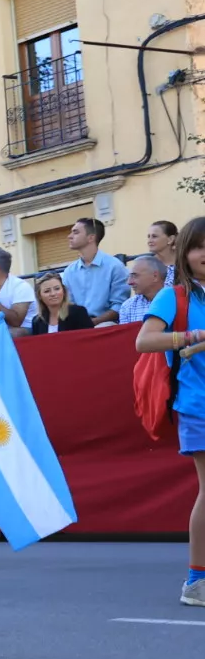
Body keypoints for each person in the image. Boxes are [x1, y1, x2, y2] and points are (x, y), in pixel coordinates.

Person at [135, 216, 205, 606]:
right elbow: (145, 342)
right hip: (198, 404)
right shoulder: (174, 296)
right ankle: (197, 581)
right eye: (199, 246)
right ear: (184, 253)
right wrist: (191, 336)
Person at [62, 217, 131, 325]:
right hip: (77, 326)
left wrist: (91, 323)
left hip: (106, 326)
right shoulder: (69, 271)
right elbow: (68, 305)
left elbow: (119, 306)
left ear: (91, 238)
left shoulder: (115, 266)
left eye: (75, 232)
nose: (69, 236)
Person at [120, 254, 170, 324]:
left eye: (135, 276)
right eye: (129, 276)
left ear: (155, 276)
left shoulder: (176, 300)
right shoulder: (128, 306)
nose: (129, 282)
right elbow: (126, 335)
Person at [148, 219, 179, 285]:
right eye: (149, 236)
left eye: (154, 236)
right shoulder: (147, 264)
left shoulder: (184, 265)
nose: (149, 241)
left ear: (170, 239)